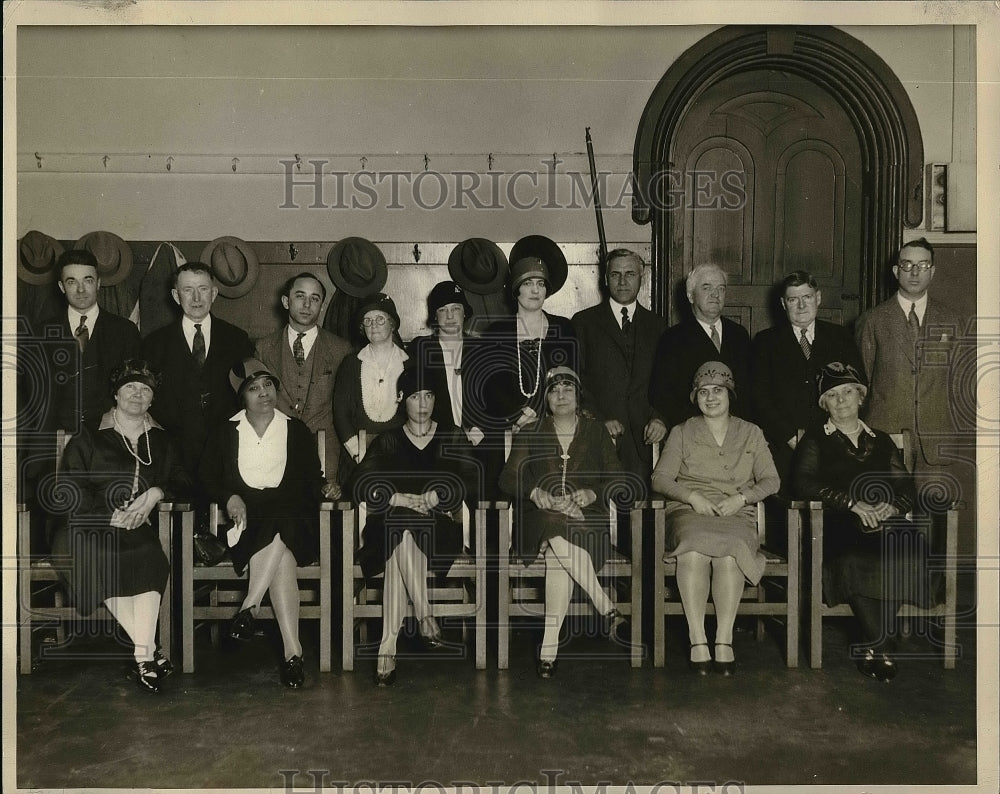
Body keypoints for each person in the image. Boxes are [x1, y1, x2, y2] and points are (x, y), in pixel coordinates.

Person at [51, 360, 190, 693]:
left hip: (135, 527)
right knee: (100, 554)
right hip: (85, 526)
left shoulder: (162, 440)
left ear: (152, 400)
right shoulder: (89, 438)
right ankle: (148, 654)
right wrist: (105, 516)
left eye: (145, 390)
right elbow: (66, 488)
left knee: (149, 556)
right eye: (130, 387)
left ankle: (143, 657)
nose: (137, 395)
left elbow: (184, 481)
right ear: (115, 394)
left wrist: (157, 493)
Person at [794, 362, 933, 682]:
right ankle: (881, 647)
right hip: (837, 524)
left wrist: (893, 507)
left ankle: (874, 645)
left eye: (848, 392)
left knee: (910, 552)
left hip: (886, 522)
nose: (841, 400)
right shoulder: (816, 440)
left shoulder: (882, 441)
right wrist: (851, 504)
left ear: (861, 397)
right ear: (823, 404)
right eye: (832, 395)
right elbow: (803, 484)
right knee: (855, 559)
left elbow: (907, 486)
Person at [200, 359, 324, 689]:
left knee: (282, 516)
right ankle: (293, 654)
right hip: (247, 521)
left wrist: (327, 488)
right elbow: (207, 478)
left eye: (267, 385)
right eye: (253, 388)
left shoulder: (295, 430)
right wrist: (229, 498)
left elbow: (312, 480)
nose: (263, 393)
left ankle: (248, 607)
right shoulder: (226, 431)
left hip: (294, 518)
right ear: (242, 396)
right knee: (280, 555)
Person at [650, 361, 779, 675]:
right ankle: (697, 639)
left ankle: (723, 640)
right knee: (693, 549)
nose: (711, 398)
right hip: (689, 513)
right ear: (695, 397)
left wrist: (741, 498)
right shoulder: (682, 432)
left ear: (730, 394)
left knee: (730, 553)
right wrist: (692, 497)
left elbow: (771, 480)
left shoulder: (751, 432)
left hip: (736, 515)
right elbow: (660, 479)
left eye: (718, 391)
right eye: (703, 392)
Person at [348, 366, 474, 686]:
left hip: (437, 527)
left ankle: (387, 647)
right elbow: (360, 482)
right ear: (402, 401)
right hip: (393, 520)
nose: (423, 403)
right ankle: (424, 614)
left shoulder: (452, 435)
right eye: (416, 396)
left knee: (399, 538)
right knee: (399, 529)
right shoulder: (389, 440)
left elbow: (472, 480)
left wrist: (437, 495)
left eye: (429, 395)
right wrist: (398, 498)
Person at [499, 366, 626, 679]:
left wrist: (590, 494)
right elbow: (507, 477)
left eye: (568, 389)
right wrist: (532, 491)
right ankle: (605, 605)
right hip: (539, 516)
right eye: (554, 390)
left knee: (558, 552)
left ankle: (548, 649)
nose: (561, 396)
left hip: (587, 519)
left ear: (578, 394)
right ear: (546, 398)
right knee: (554, 523)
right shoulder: (530, 431)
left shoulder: (596, 432)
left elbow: (618, 480)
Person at [467, 239, 577, 500]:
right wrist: (516, 415)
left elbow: (571, 378)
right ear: (516, 289)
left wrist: (543, 416)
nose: (534, 290)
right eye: (527, 283)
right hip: (506, 426)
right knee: (499, 482)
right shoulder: (496, 332)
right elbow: (489, 385)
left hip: (553, 423)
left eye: (540, 284)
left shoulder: (563, 329)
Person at [855, 238, 963, 473]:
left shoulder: (951, 320)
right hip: (885, 438)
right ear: (896, 271)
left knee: (934, 507)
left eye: (923, 265)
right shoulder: (873, 320)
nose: (914, 272)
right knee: (884, 507)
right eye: (907, 265)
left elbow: (959, 382)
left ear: (932, 271)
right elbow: (863, 382)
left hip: (936, 442)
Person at [142, 262, 254, 480]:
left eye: (203, 289)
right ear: (176, 296)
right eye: (188, 290)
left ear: (213, 294)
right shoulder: (154, 344)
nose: (196, 298)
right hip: (173, 457)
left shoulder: (237, 339)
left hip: (225, 454)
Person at [751, 270, 863, 483]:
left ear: (818, 298)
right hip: (784, 446)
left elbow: (858, 388)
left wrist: (838, 435)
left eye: (807, 297)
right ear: (784, 304)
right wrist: (790, 438)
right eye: (794, 300)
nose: (801, 306)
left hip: (835, 443)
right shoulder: (766, 342)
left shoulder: (840, 337)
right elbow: (760, 398)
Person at [572, 248, 666, 490]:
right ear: (605, 279)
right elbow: (576, 380)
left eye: (630, 274)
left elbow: (668, 381)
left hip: (646, 440)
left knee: (642, 517)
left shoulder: (658, 326)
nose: (622, 281)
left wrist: (659, 418)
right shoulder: (583, 323)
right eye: (615, 274)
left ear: (641, 278)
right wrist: (598, 419)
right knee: (603, 511)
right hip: (601, 436)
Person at [255, 272, 352, 496]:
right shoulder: (263, 348)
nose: (307, 304)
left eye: (315, 298)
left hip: (325, 450)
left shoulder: (340, 349)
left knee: (321, 518)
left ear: (321, 305)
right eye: (300, 296)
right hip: (275, 448)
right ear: (286, 301)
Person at [649, 263, 751, 433]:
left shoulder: (739, 334)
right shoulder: (673, 338)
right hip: (694, 433)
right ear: (690, 295)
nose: (715, 295)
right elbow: (661, 395)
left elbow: (748, 389)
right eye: (707, 288)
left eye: (721, 289)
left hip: (737, 432)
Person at [46, 249, 142, 432]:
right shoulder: (40, 332)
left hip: (110, 439)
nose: (81, 289)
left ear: (98, 283)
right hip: (56, 440)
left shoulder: (125, 331)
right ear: (61, 286)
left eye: (88, 280)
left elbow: (134, 391)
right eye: (71, 281)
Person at [332, 292, 408, 478]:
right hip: (358, 458)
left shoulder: (410, 363)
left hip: (402, 456)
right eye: (367, 320)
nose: (373, 325)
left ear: (392, 324)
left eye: (380, 319)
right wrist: (358, 453)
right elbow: (340, 413)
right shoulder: (350, 363)